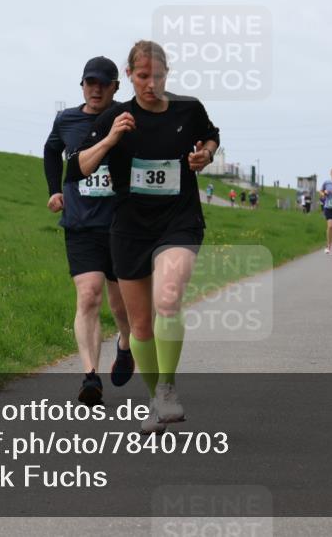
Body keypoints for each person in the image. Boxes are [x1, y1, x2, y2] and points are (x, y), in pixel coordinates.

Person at [66, 40, 220, 434]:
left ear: (168, 74)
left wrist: (205, 153)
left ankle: (167, 389)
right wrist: (111, 138)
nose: (151, 83)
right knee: (139, 327)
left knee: (168, 297)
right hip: (130, 228)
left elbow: (210, 136)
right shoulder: (116, 117)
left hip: (178, 220)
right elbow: (78, 168)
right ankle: (158, 398)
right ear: (130, 76)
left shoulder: (189, 109)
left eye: (158, 75)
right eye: (142, 76)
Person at [44, 56, 133, 407]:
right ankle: (91, 376)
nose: (96, 89)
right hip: (81, 224)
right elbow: (52, 151)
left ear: (115, 87)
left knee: (121, 304)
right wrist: (54, 189)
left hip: (121, 224)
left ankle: (125, 345)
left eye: (103, 84)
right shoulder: (66, 120)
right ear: (82, 85)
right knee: (89, 295)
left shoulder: (127, 117)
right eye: (89, 83)